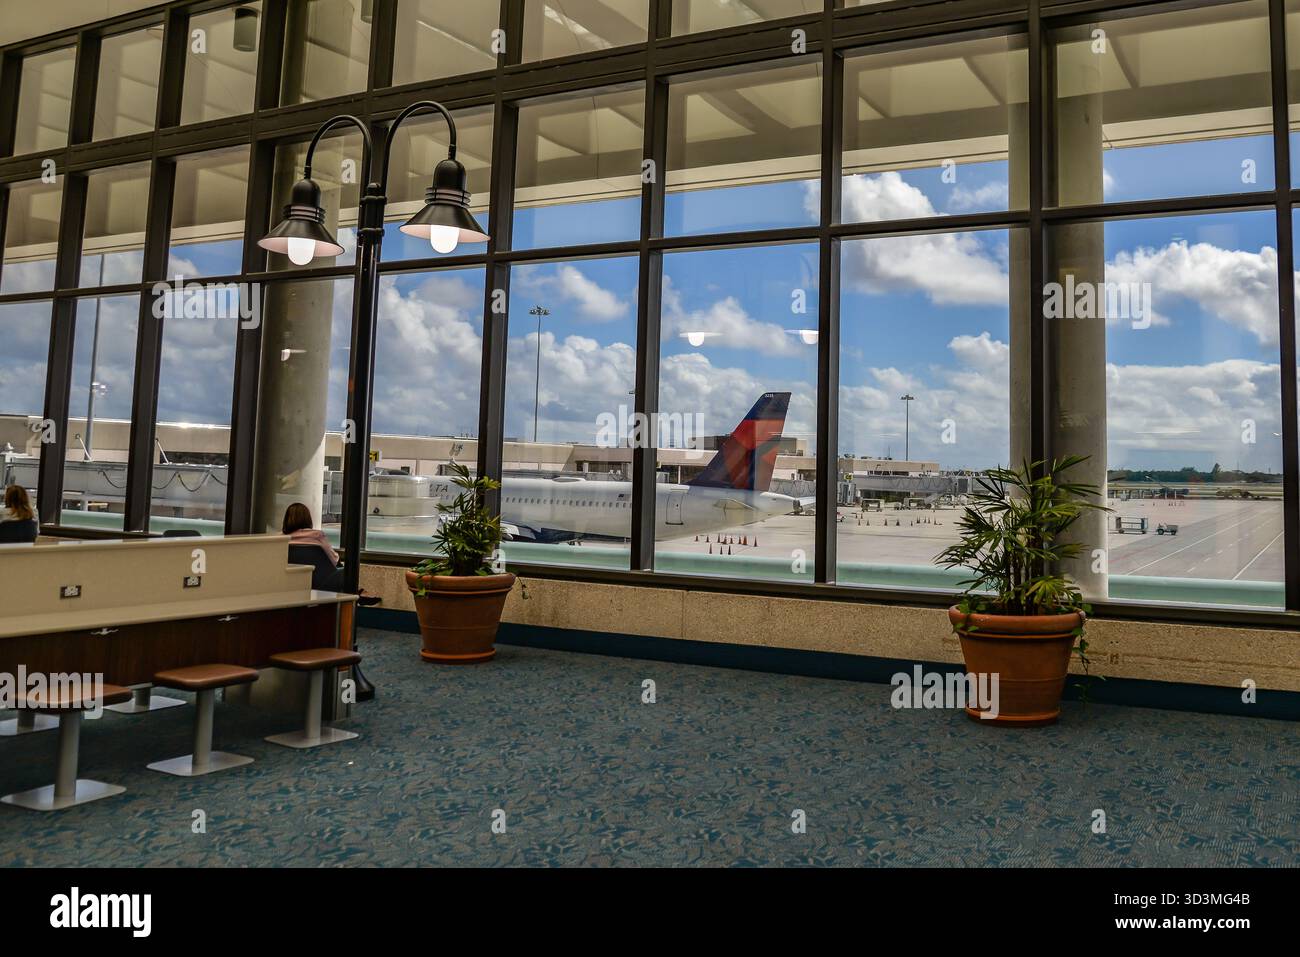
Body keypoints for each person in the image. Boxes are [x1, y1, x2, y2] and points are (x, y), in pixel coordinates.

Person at [281, 502, 379, 605]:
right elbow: (334, 559)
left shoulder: (281, 539)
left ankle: (359, 593)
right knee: (346, 570)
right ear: (308, 519)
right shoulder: (316, 535)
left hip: (293, 584)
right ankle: (357, 595)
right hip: (321, 584)